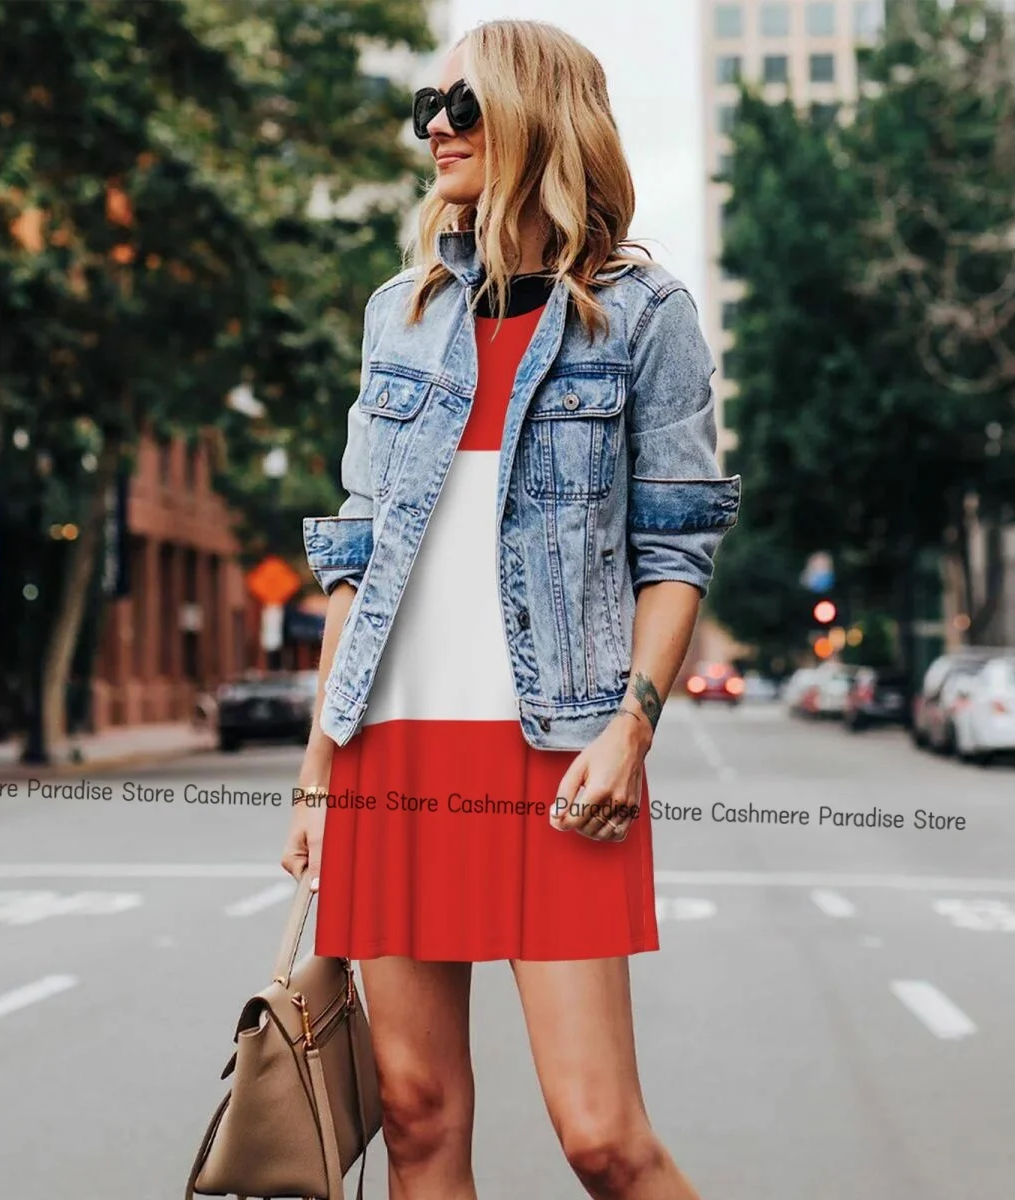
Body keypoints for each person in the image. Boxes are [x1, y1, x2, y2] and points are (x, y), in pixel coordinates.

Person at [281, 19, 740, 1200]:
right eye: (427, 106)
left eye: (463, 107)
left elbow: (675, 549)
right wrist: (318, 775)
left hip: (559, 756)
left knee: (602, 1137)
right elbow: (358, 553)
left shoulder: (644, 316)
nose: (435, 127)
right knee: (422, 1121)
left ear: (540, 116)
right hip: (393, 753)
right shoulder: (403, 312)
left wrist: (632, 727)